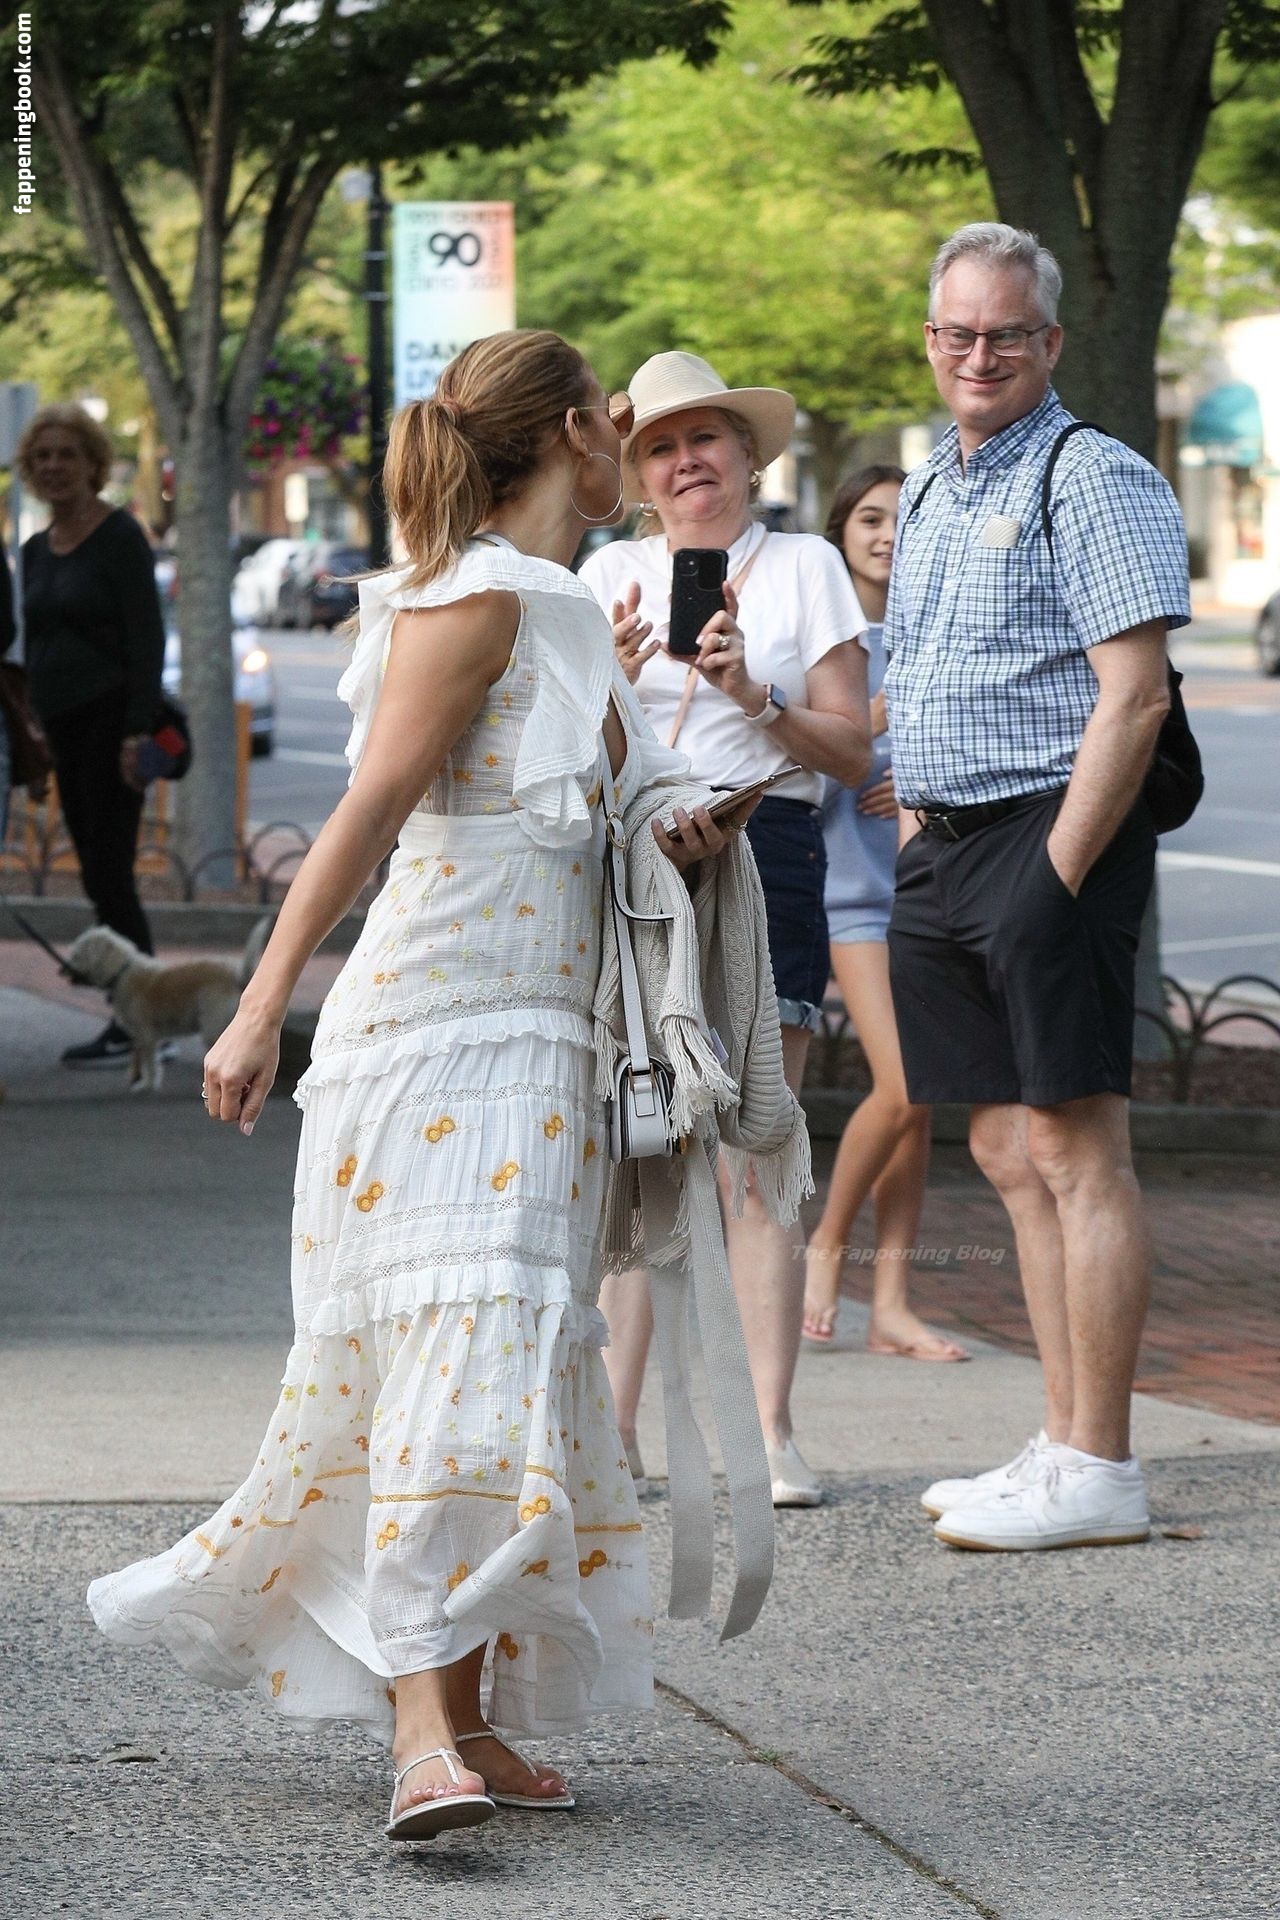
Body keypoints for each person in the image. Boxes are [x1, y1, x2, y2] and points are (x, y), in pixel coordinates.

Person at [87, 330, 763, 1842]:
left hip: (542, 1038)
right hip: (436, 1034)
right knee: (456, 1363)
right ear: (576, 432)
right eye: (615, 422)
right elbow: (369, 810)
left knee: (502, 1365)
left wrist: (687, 824)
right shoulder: (481, 599)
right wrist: (256, 1009)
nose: (628, 445)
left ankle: (465, 1712)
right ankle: (418, 1728)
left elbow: (612, 810)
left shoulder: (562, 608)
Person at [885, 224, 1190, 1551]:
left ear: (1049, 341)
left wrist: (1052, 875)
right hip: (945, 840)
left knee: (1074, 1147)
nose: (979, 354)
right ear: (931, 338)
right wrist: (916, 834)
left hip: (1046, 830)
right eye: (957, 332)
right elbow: (916, 670)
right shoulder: (930, 485)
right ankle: (1061, 1442)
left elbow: (1136, 698)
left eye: (1005, 333)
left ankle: (1103, 1467)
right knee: (1006, 1149)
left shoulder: (1096, 475)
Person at [580, 351, 871, 1507]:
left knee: (756, 1141)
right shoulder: (606, 573)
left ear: (749, 455)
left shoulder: (804, 567)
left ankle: (767, 1434)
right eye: (658, 446)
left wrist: (755, 693)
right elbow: (567, 761)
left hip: (765, 847)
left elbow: (849, 752)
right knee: (641, 1144)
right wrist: (602, 690)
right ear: (636, 477)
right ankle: (611, 1434)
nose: (684, 461)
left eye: (705, 437)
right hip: (638, 859)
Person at [802, 466, 966, 1362]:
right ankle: (826, 1248)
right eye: (870, 518)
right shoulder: (828, 640)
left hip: (930, 893)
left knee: (923, 1100)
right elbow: (797, 772)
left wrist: (918, 779)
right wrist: (865, 727)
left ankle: (893, 1304)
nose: (889, 534)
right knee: (904, 1086)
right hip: (851, 895)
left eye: (905, 518)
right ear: (842, 531)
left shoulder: (938, 632)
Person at [17, 404, 165, 1067]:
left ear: (92, 464)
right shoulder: (33, 551)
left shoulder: (119, 537)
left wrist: (136, 733)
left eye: (66, 454)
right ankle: (136, 1015)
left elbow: (146, 639)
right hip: (62, 731)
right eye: (42, 456)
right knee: (96, 875)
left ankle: (141, 1018)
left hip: (113, 728)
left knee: (111, 873)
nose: (54, 466)